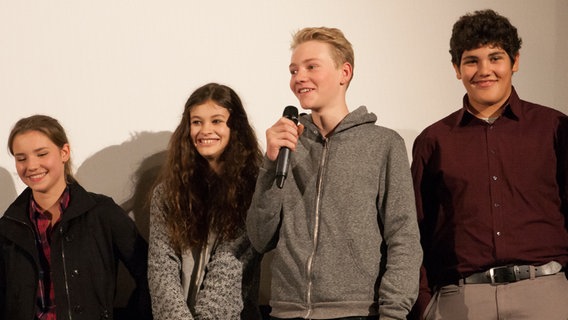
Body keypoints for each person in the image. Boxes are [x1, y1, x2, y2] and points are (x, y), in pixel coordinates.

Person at [246, 27, 422, 320]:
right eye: (293, 70)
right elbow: (260, 238)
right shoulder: (289, 144)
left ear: (345, 72)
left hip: (356, 312)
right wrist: (269, 165)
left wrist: (394, 313)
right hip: (286, 312)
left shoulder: (383, 144)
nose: (299, 77)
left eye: (311, 66)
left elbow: (403, 239)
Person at [411, 9, 568, 320]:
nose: (485, 70)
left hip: (546, 294)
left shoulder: (554, 127)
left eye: (495, 57)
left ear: (515, 61)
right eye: (472, 60)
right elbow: (415, 230)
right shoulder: (433, 140)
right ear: (457, 68)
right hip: (460, 299)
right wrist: (426, 305)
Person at [0, 114, 152, 320]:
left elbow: (150, 273)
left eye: (42, 154)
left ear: (64, 153)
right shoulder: (8, 227)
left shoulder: (102, 213)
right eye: (21, 158)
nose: (31, 165)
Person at [148, 82, 263, 320]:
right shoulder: (167, 193)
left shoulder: (253, 190)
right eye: (197, 122)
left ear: (235, 127)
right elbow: (162, 268)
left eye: (217, 121)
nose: (205, 130)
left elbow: (230, 267)